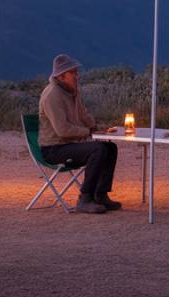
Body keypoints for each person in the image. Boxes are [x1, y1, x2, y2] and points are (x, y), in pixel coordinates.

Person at [38, 54, 120, 215]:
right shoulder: (52, 95)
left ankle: (100, 194)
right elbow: (62, 130)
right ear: (61, 76)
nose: (77, 76)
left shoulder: (72, 91)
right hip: (54, 149)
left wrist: (96, 128)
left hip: (68, 144)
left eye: (76, 72)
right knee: (98, 150)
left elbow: (83, 114)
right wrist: (87, 132)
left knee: (110, 147)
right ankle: (85, 198)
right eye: (73, 73)